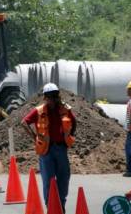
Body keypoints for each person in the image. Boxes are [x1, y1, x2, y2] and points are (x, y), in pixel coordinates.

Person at [21, 83, 77, 213]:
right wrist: (35, 138)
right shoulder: (39, 111)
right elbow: (24, 123)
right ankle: (50, 206)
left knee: (64, 178)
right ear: (45, 97)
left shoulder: (65, 109)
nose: (53, 99)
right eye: (50, 96)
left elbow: (74, 123)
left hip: (61, 149)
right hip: (46, 151)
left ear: (58, 96)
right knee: (49, 180)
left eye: (55, 96)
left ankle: (61, 204)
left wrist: (69, 137)